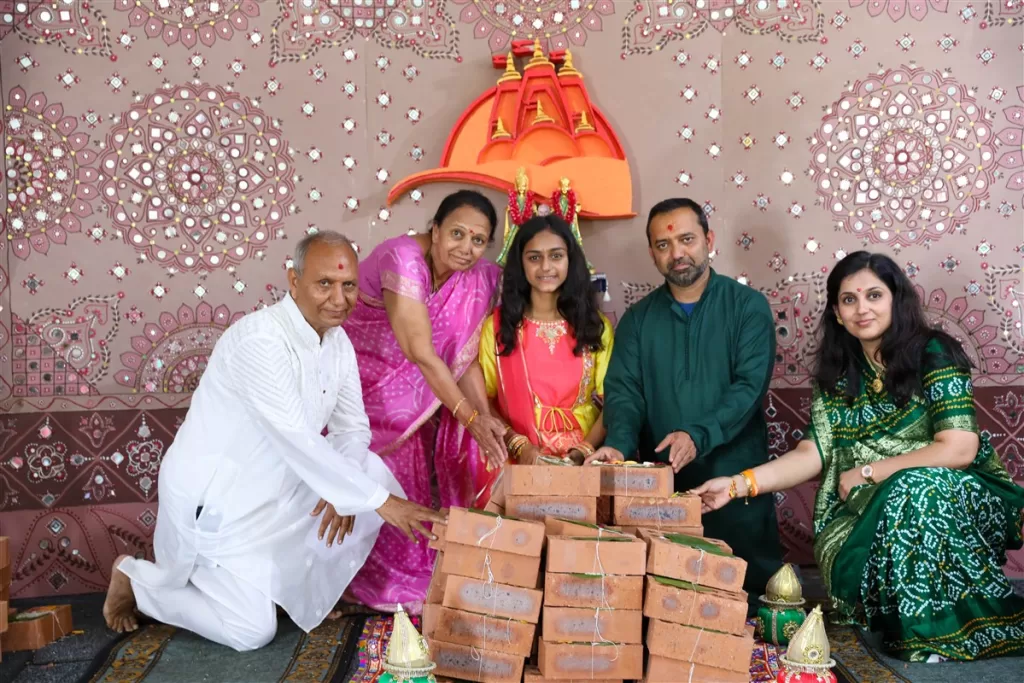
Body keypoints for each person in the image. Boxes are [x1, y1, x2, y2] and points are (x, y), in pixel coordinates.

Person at [102, 231, 446, 651]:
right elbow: (297, 439)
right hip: (219, 503)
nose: (339, 299)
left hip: (277, 488)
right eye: (324, 284)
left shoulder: (337, 343)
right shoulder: (259, 341)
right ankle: (140, 584)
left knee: (369, 472)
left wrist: (345, 493)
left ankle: (285, 594)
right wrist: (376, 501)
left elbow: (352, 428)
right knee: (251, 632)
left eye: (348, 285)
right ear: (293, 280)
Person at [692, 251, 1024, 661]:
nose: (862, 308)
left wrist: (871, 471)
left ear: (895, 299)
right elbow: (811, 454)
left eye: (873, 295)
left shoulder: (932, 352)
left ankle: (935, 635)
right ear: (836, 311)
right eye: (849, 299)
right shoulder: (837, 374)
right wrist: (740, 483)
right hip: (863, 513)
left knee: (916, 487)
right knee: (901, 497)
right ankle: (904, 618)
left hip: (959, 499)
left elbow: (959, 447)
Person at [586, 197, 782, 608]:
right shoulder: (639, 321)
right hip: (664, 490)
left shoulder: (747, 308)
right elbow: (624, 393)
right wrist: (618, 445)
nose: (677, 253)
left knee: (747, 603)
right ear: (653, 254)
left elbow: (748, 388)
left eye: (687, 239)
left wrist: (697, 434)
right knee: (671, 607)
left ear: (708, 240)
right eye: (663, 245)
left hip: (735, 483)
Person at [342, 189, 508, 614]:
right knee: (358, 484)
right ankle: (349, 582)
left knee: (407, 493)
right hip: (360, 390)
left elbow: (463, 359)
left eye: (478, 240)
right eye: (456, 233)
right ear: (433, 229)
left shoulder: (480, 278)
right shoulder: (402, 258)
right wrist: (471, 419)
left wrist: (484, 419)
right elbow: (419, 351)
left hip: (416, 408)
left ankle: (398, 580)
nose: (466, 248)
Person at [479, 214, 614, 469]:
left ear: (570, 261)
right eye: (534, 257)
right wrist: (518, 445)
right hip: (519, 459)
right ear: (521, 264)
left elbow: (614, 402)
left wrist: (581, 452)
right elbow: (484, 399)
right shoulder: (499, 328)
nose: (545, 267)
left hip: (583, 459)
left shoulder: (595, 327)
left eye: (556, 256)